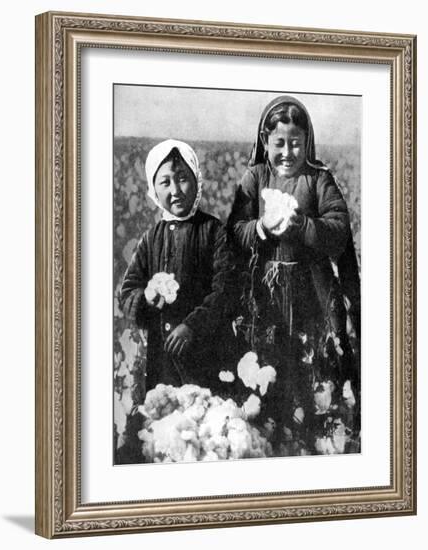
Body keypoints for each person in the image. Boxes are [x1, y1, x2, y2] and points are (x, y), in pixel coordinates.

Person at [227, 95, 361, 455]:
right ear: (265, 141)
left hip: (311, 292)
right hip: (265, 292)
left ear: (308, 143)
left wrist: (302, 225)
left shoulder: (319, 180)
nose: (287, 152)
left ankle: (316, 435)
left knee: (312, 364)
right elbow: (233, 231)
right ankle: (272, 433)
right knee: (267, 364)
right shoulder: (254, 177)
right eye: (279, 143)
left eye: (296, 143)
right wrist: (260, 227)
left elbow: (339, 230)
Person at [119, 139, 236, 394]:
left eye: (183, 178)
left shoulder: (213, 231)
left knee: (204, 421)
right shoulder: (151, 238)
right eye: (165, 182)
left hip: (206, 358)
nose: (176, 190)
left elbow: (226, 290)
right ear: (153, 190)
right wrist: (146, 296)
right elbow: (127, 292)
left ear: (196, 180)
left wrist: (193, 326)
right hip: (162, 362)